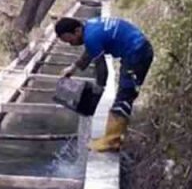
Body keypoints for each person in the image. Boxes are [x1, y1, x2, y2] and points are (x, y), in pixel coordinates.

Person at [55, 16, 154, 152]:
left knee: (124, 95)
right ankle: (113, 137)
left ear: (77, 31)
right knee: (125, 93)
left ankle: (112, 141)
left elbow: (102, 68)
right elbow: (91, 51)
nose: (71, 44)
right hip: (137, 49)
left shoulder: (91, 37)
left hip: (137, 53)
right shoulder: (90, 26)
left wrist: (99, 89)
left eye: (70, 40)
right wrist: (73, 68)